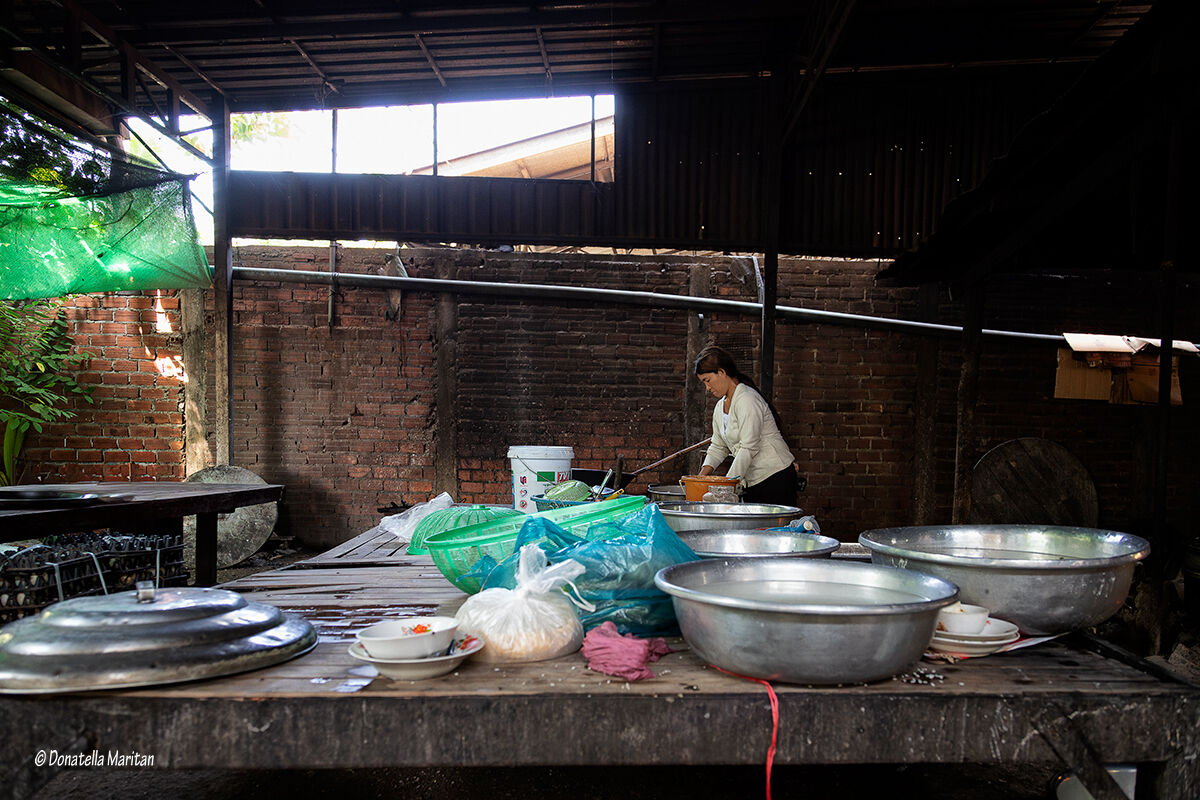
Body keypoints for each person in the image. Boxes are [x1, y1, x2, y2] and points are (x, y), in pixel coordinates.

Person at [692, 346, 798, 506]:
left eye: (707, 380)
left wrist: (726, 487)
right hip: (752, 482)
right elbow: (718, 446)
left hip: (775, 478)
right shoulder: (720, 407)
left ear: (722, 372)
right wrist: (699, 478)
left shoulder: (747, 399)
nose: (707, 388)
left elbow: (749, 448)